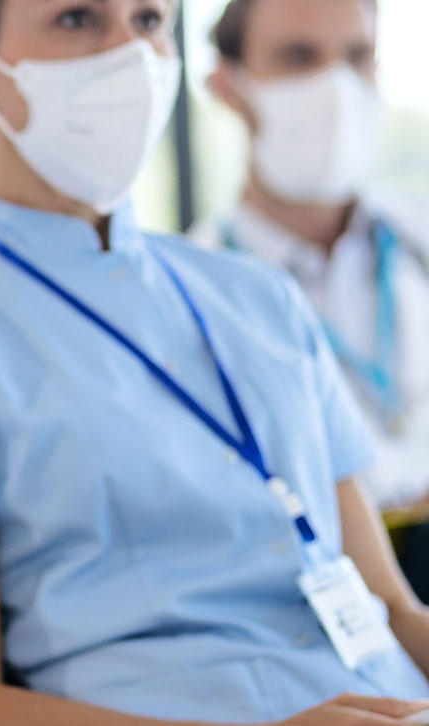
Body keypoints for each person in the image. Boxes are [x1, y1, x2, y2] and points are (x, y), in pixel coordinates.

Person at [0, 0, 429, 722]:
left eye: (149, 20)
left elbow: (391, 606)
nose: (131, 54)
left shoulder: (260, 296)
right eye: (79, 19)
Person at [195, 0, 429, 596]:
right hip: (321, 594)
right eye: (299, 57)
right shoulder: (194, 290)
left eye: (357, 57)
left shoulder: (417, 235)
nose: (335, 85)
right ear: (227, 86)